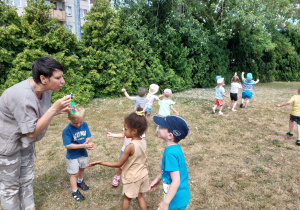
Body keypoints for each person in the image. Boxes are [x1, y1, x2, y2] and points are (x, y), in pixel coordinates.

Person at [0, 57, 71, 210]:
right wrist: (54, 109)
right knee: (10, 188)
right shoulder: (22, 96)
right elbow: (32, 132)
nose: (62, 81)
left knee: (26, 180)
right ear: (43, 78)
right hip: (6, 146)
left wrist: (57, 111)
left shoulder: (45, 90)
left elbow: (37, 117)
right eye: (58, 78)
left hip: (24, 142)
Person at [88, 107, 149, 210]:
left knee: (127, 198)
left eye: (125, 129)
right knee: (140, 196)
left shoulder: (130, 147)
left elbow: (118, 164)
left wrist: (100, 162)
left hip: (132, 177)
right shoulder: (143, 142)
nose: (124, 132)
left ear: (134, 131)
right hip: (143, 175)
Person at [149, 115, 190, 210]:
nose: (158, 126)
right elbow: (171, 170)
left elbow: (176, 181)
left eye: (162, 126)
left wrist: (165, 203)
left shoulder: (170, 154)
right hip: (181, 196)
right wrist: (158, 179)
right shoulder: (175, 148)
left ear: (170, 135)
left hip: (175, 200)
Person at [62, 105, 95, 201]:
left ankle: (80, 182)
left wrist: (87, 143)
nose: (78, 125)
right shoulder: (67, 130)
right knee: (74, 173)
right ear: (69, 118)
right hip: (73, 156)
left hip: (82, 153)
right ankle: (75, 191)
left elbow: (87, 136)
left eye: (80, 122)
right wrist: (83, 146)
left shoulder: (84, 125)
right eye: (76, 123)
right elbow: (67, 145)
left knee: (82, 168)